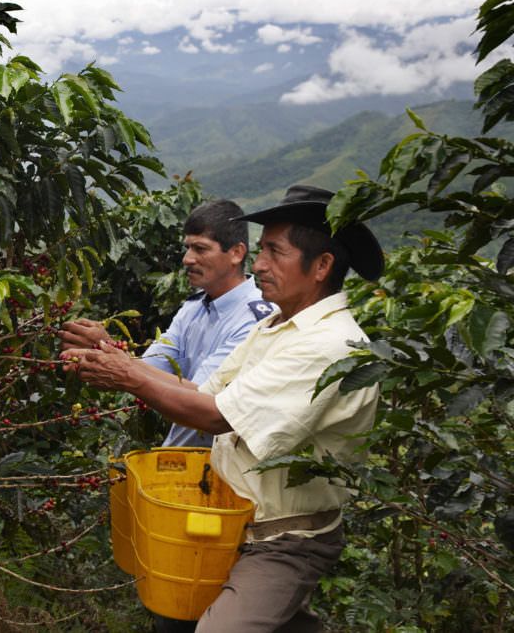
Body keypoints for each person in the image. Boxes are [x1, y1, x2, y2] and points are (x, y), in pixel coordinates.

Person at [61, 184, 384, 632]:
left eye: (275, 252)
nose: (260, 264)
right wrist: (117, 358)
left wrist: (127, 374)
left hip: (285, 537)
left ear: (322, 266)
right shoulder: (275, 326)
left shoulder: (328, 345)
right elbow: (208, 392)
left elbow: (216, 416)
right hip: (234, 520)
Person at [59, 199, 273, 450]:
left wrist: (122, 367)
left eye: (201, 249)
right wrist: (105, 347)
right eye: (188, 248)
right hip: (179, 458)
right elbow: (148, 367)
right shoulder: (193, 308)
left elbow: (204, 398)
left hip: (220, 473)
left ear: (237, 253)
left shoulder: (256, 320)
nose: (187, 259)